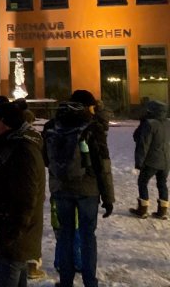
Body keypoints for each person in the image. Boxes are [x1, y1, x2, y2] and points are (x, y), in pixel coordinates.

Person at [42, 90, 114, 287]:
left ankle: (66, 281)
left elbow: (46, 159)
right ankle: (90, 282)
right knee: (87, 236)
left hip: (60, 188)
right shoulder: (92, 127)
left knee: (65, 235)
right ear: (87, 106)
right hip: (87, 190)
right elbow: (102, 165)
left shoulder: (51, 125)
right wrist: (108, 197)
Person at [0, 103, 46, 287]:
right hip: (12, 236)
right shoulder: (11, 144)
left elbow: (26, 198)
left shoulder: (21, 150)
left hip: (13, 239)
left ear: (6, 123)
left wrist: (11, 235)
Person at [130, 100, 169, 219]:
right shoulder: (168, 123)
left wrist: (139, 161)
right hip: (166, 160)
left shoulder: (149, 124)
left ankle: (142, 209)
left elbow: (142, 143)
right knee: (162, 183)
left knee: (142, 182)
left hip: (152, 160)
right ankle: (162, 210)